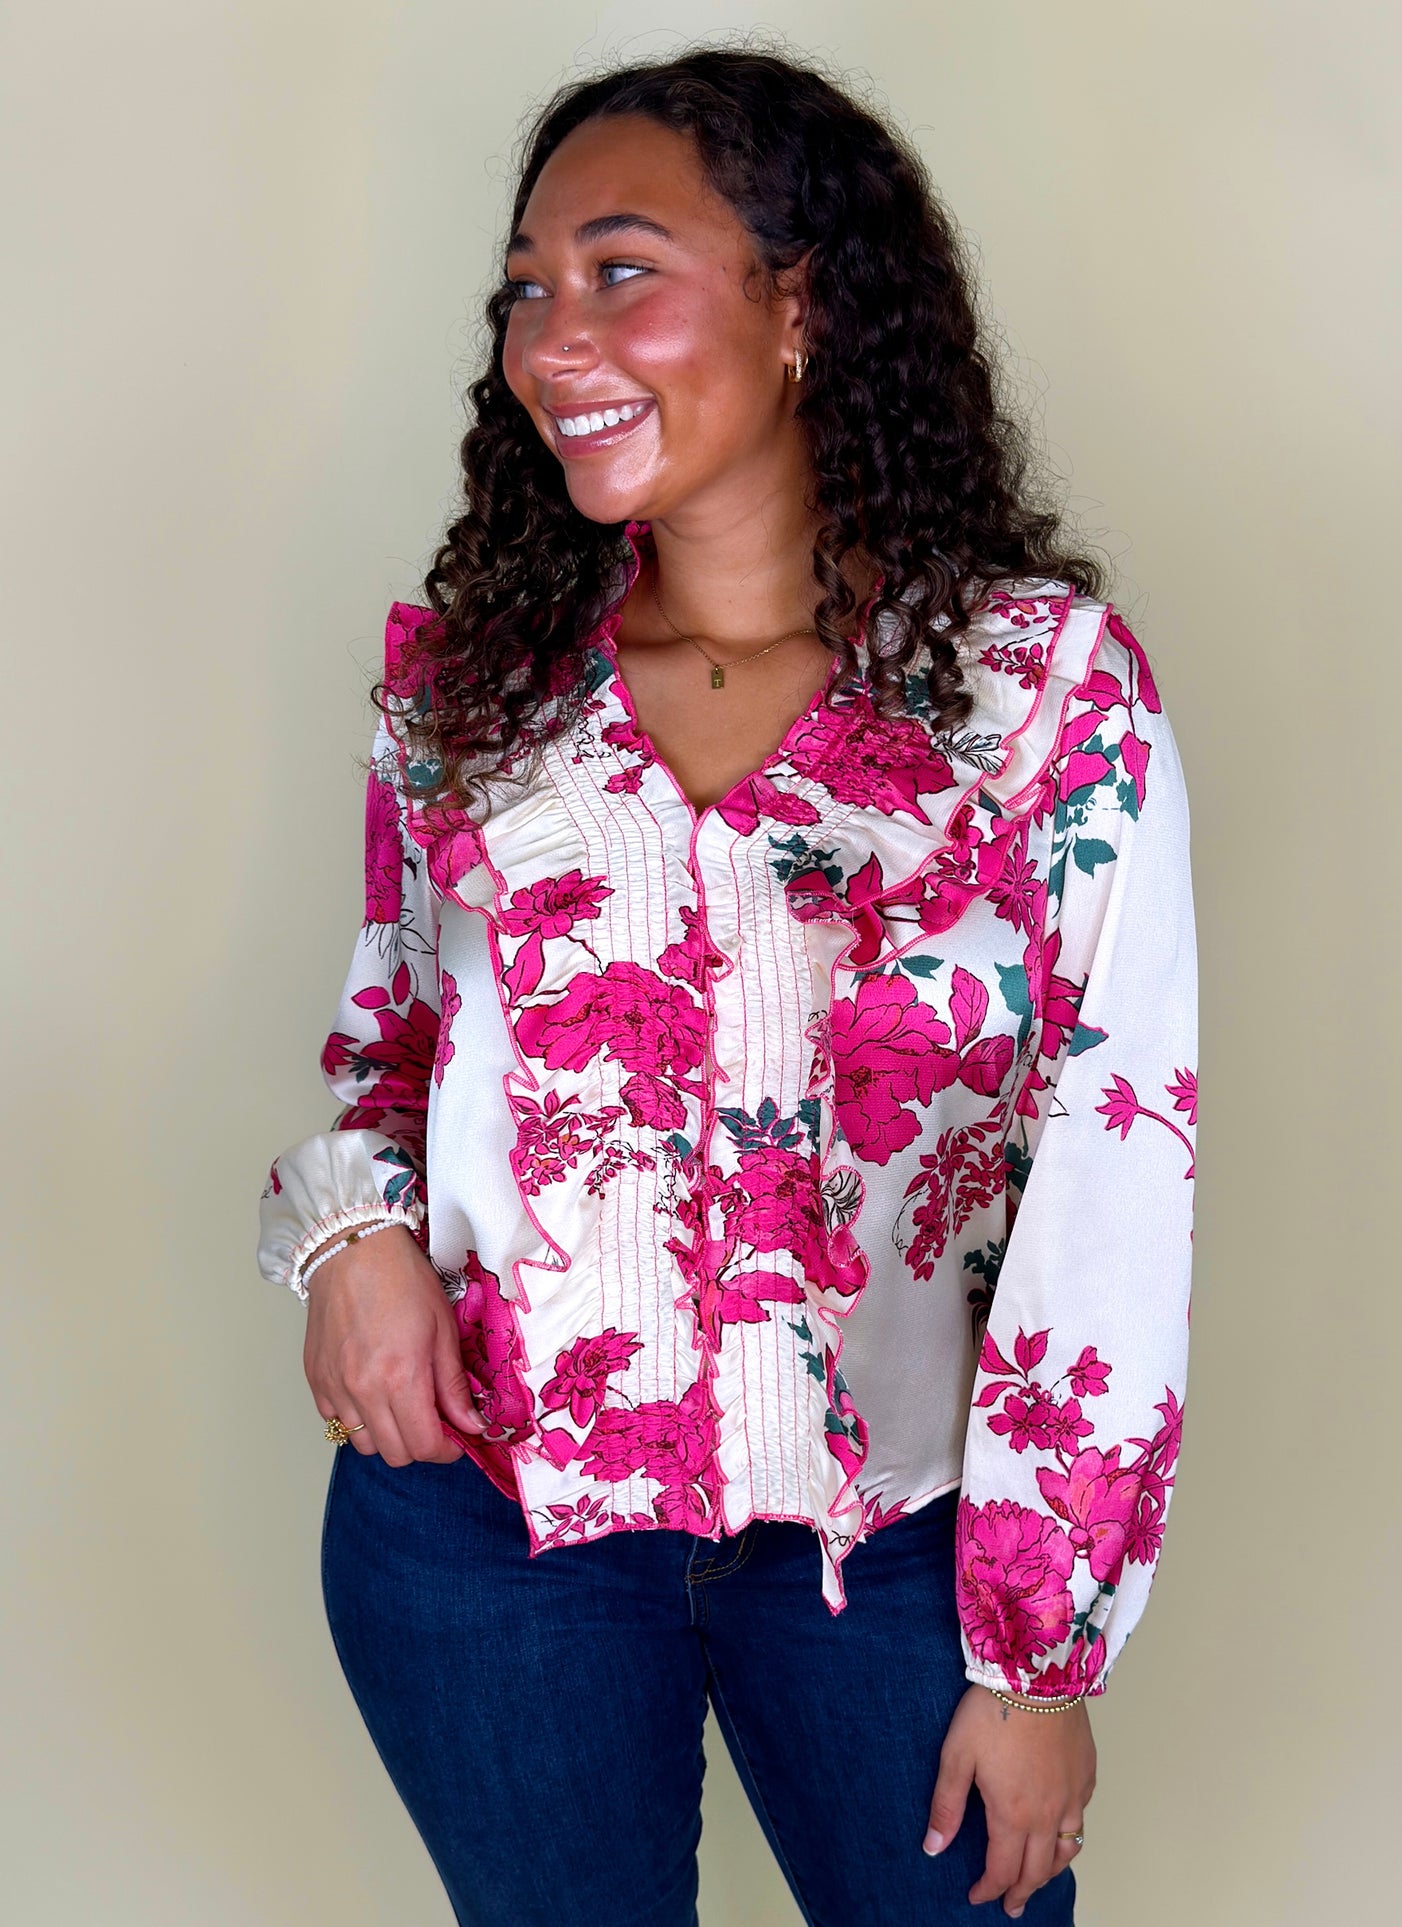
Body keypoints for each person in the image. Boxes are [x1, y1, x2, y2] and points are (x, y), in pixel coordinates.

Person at [257, 47, 1195, 1927]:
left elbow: (1115, 1162)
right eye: (526, 289)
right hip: (485, 1533)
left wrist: (1040, 1653)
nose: (554, 341)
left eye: (621, 270)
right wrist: (346, 1242)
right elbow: (392, 1049)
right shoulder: (475, 689)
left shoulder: (1035, 692)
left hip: (898, 1552)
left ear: (801, 304)